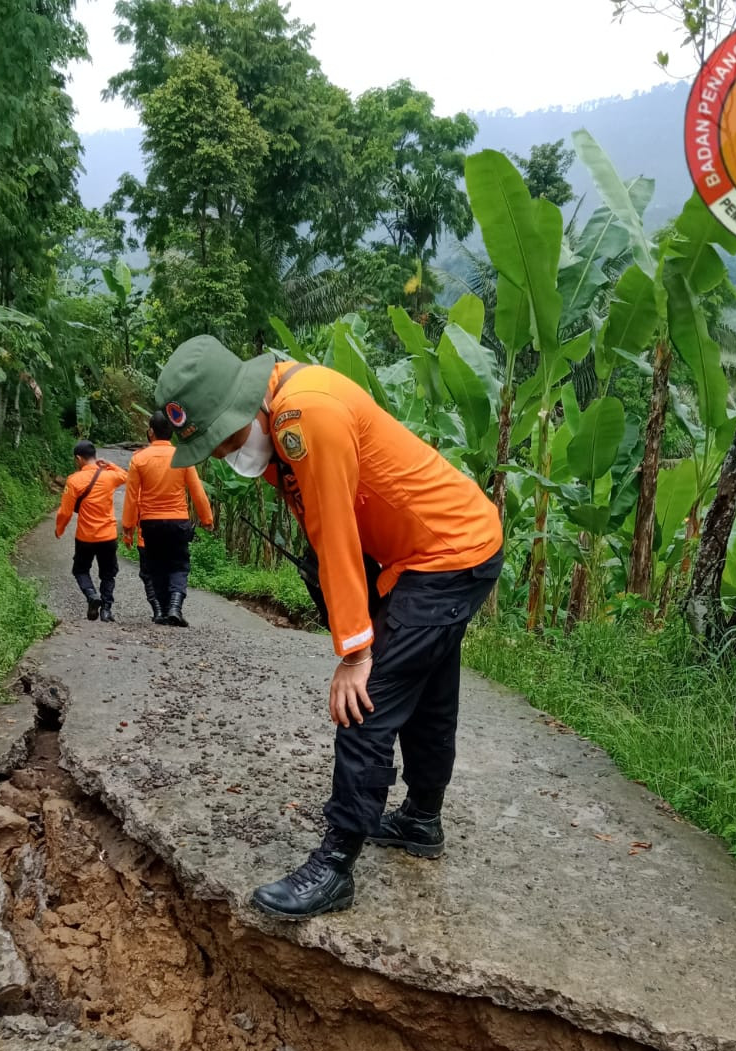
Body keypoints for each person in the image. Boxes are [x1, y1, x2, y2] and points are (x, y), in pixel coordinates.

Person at [156, 336, 503, 920]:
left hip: (444, 555)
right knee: (428, 690)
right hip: (436, 551)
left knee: (366, 700)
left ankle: (336, 865)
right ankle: (421, 820)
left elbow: (336, 530)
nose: (220, 456)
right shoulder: (280, 414)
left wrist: (355, 651)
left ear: (244, 405)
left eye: (222, 439)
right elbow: (324, 531)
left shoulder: (303, 414)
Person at [122, 410, 215, 627]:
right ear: (172, 432)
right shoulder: (182, 458)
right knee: (178, 565)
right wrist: (206, 518)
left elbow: (132, 496)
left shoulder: (139, 459)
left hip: (150, 523)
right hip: (177, 521)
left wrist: (128, 526)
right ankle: (174, 607)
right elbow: (197, 491)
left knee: (156, 567)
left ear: (151, 432)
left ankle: (162, 611)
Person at [54, 440, 127, 623]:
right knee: (108, 573)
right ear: (94, 457)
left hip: (85, 536)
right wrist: (109, 464)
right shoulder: (109, 477)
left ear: (78, 458)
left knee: (80, 570)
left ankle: (91, 595)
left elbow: (65, 511)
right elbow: (125, 476)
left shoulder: (74, 480)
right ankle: (106, 610)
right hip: (108, 536)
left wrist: (60, 528)